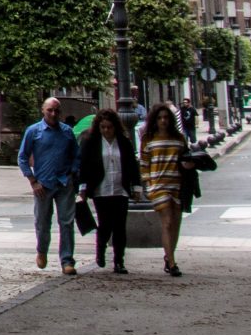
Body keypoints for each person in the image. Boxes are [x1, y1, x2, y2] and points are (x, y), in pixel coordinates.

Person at [17, 95, 82, 273]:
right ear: (43, 111)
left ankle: (67, 260)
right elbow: (22, 157)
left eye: (57, 110)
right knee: (43, 223)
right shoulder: (34, 131)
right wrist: (32, 181)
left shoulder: (67, 132)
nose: (53, 114)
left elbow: (76, 155)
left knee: (66, 222)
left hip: (63, 183)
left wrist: (73, 173)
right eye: (50, 110)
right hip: (42, 185)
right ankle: (42, 251)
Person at [76, 107, 141, 274]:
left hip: (120, 188)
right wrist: (82, 188)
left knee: (120, 226)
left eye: (109, 127)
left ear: (115, 127)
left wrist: (136, 186)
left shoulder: (124, 142)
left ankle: (119, 261)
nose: (106, 131)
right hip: (101, 189)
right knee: (105, 224)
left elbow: (132, 165)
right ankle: (101, 248)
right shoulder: (91, 142)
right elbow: (84, 166)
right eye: (103, 127)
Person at [140, 102, 190, 277]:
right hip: (158, 186)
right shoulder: (148, 139)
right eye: (160, 118)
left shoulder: (179, 138)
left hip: (176, 185)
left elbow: (186, 159)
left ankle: (169, 256)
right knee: (167, 222)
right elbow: (144, 163)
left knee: (175, 224)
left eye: (166, 118)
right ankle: (172, 263)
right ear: (155, 120)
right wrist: (146, 184)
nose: (163, 121)